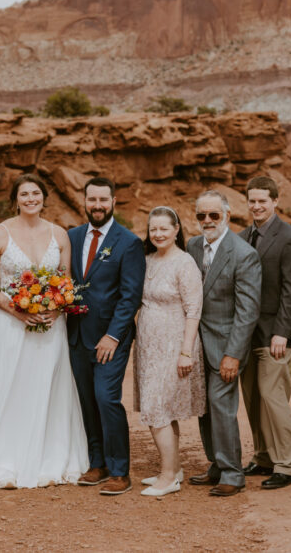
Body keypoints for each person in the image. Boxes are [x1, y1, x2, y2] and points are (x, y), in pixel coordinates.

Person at [0, 174, 89, 488]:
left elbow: (66, 281)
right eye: (24, 194)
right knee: (8, 387)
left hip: (51, 325)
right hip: (10, 324)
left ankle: (48, 461)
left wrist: (55, 308)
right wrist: (16, 309)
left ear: (43, 197)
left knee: (46, 387)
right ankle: (3, 463)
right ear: (15, 199)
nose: (30, 198)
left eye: (36, 193)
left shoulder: (60, 235)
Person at [67, 177, 145, 496]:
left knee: (106, 398)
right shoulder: (70, 237)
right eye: (91, 199)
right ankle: (96, 463)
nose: (97, 205)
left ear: (114, 202)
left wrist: (113, 335)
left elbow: (130, 296)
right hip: (76, 334)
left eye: (103, 200)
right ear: (84, 201)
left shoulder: (128, 242)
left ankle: (119, 469)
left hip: (111, 339)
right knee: (86, 400)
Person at [186, 190, 262, 497]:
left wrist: (233, 354)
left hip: (226, 346)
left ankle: (233, 472)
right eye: (201, 216)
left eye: (213, 215)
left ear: (227, 216)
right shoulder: (192, 245)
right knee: (204, 408)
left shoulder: (243, 254)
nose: (207, 221)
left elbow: (248, 311)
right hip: (197, 344)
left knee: (221, 406)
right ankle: (216, 464)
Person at [238, 175, 291, 490]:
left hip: (275, 335)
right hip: (246, 333)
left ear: (275, 201)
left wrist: (282, 331)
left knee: (272, 395)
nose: (256, 206)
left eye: (262, 201)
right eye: (252, 200)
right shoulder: (241, 237)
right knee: (252, 397)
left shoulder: (290, 238)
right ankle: (264, 455)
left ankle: (289, 464)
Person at [134, 206, 205, 497]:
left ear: (176, 230)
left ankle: (168, 478)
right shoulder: (147, 260)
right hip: (148, 347)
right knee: (161, 409)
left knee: (158, 409)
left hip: (175, 343)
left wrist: (186, 352)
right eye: (154, 229)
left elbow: (193, 310)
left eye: (165, 228)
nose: (159, 234)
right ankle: (173, 468)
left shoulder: (184, 262)